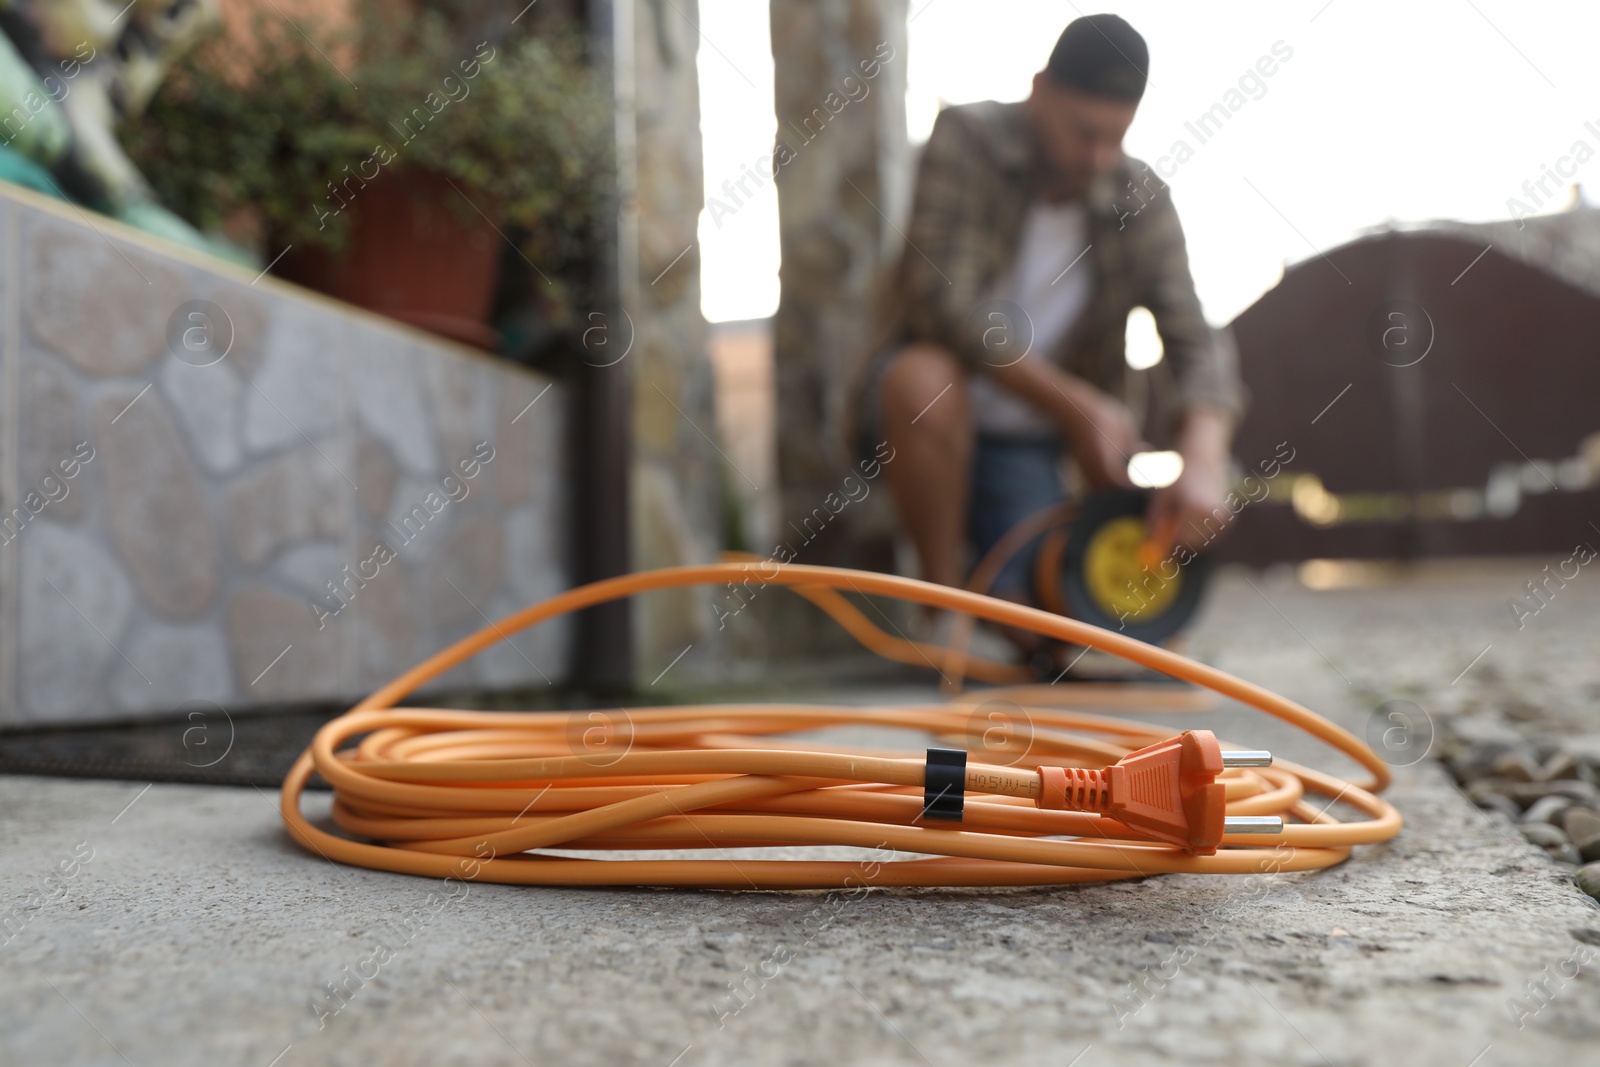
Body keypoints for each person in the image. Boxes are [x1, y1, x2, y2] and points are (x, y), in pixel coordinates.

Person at [852, 12, 1245, 617]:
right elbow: (944, 302)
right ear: (1040, 91)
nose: (1097, 157)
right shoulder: (967, 139)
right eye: (1083, 131)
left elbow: (1196, 339)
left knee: (1039, 620)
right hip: (929, 420)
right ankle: (941, 615)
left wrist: (1203, 458)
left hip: (1035, 449)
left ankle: (1005, 610)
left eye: (1115, 137)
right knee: (922, 378)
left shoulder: (1141, 199)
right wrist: (1077, 405)